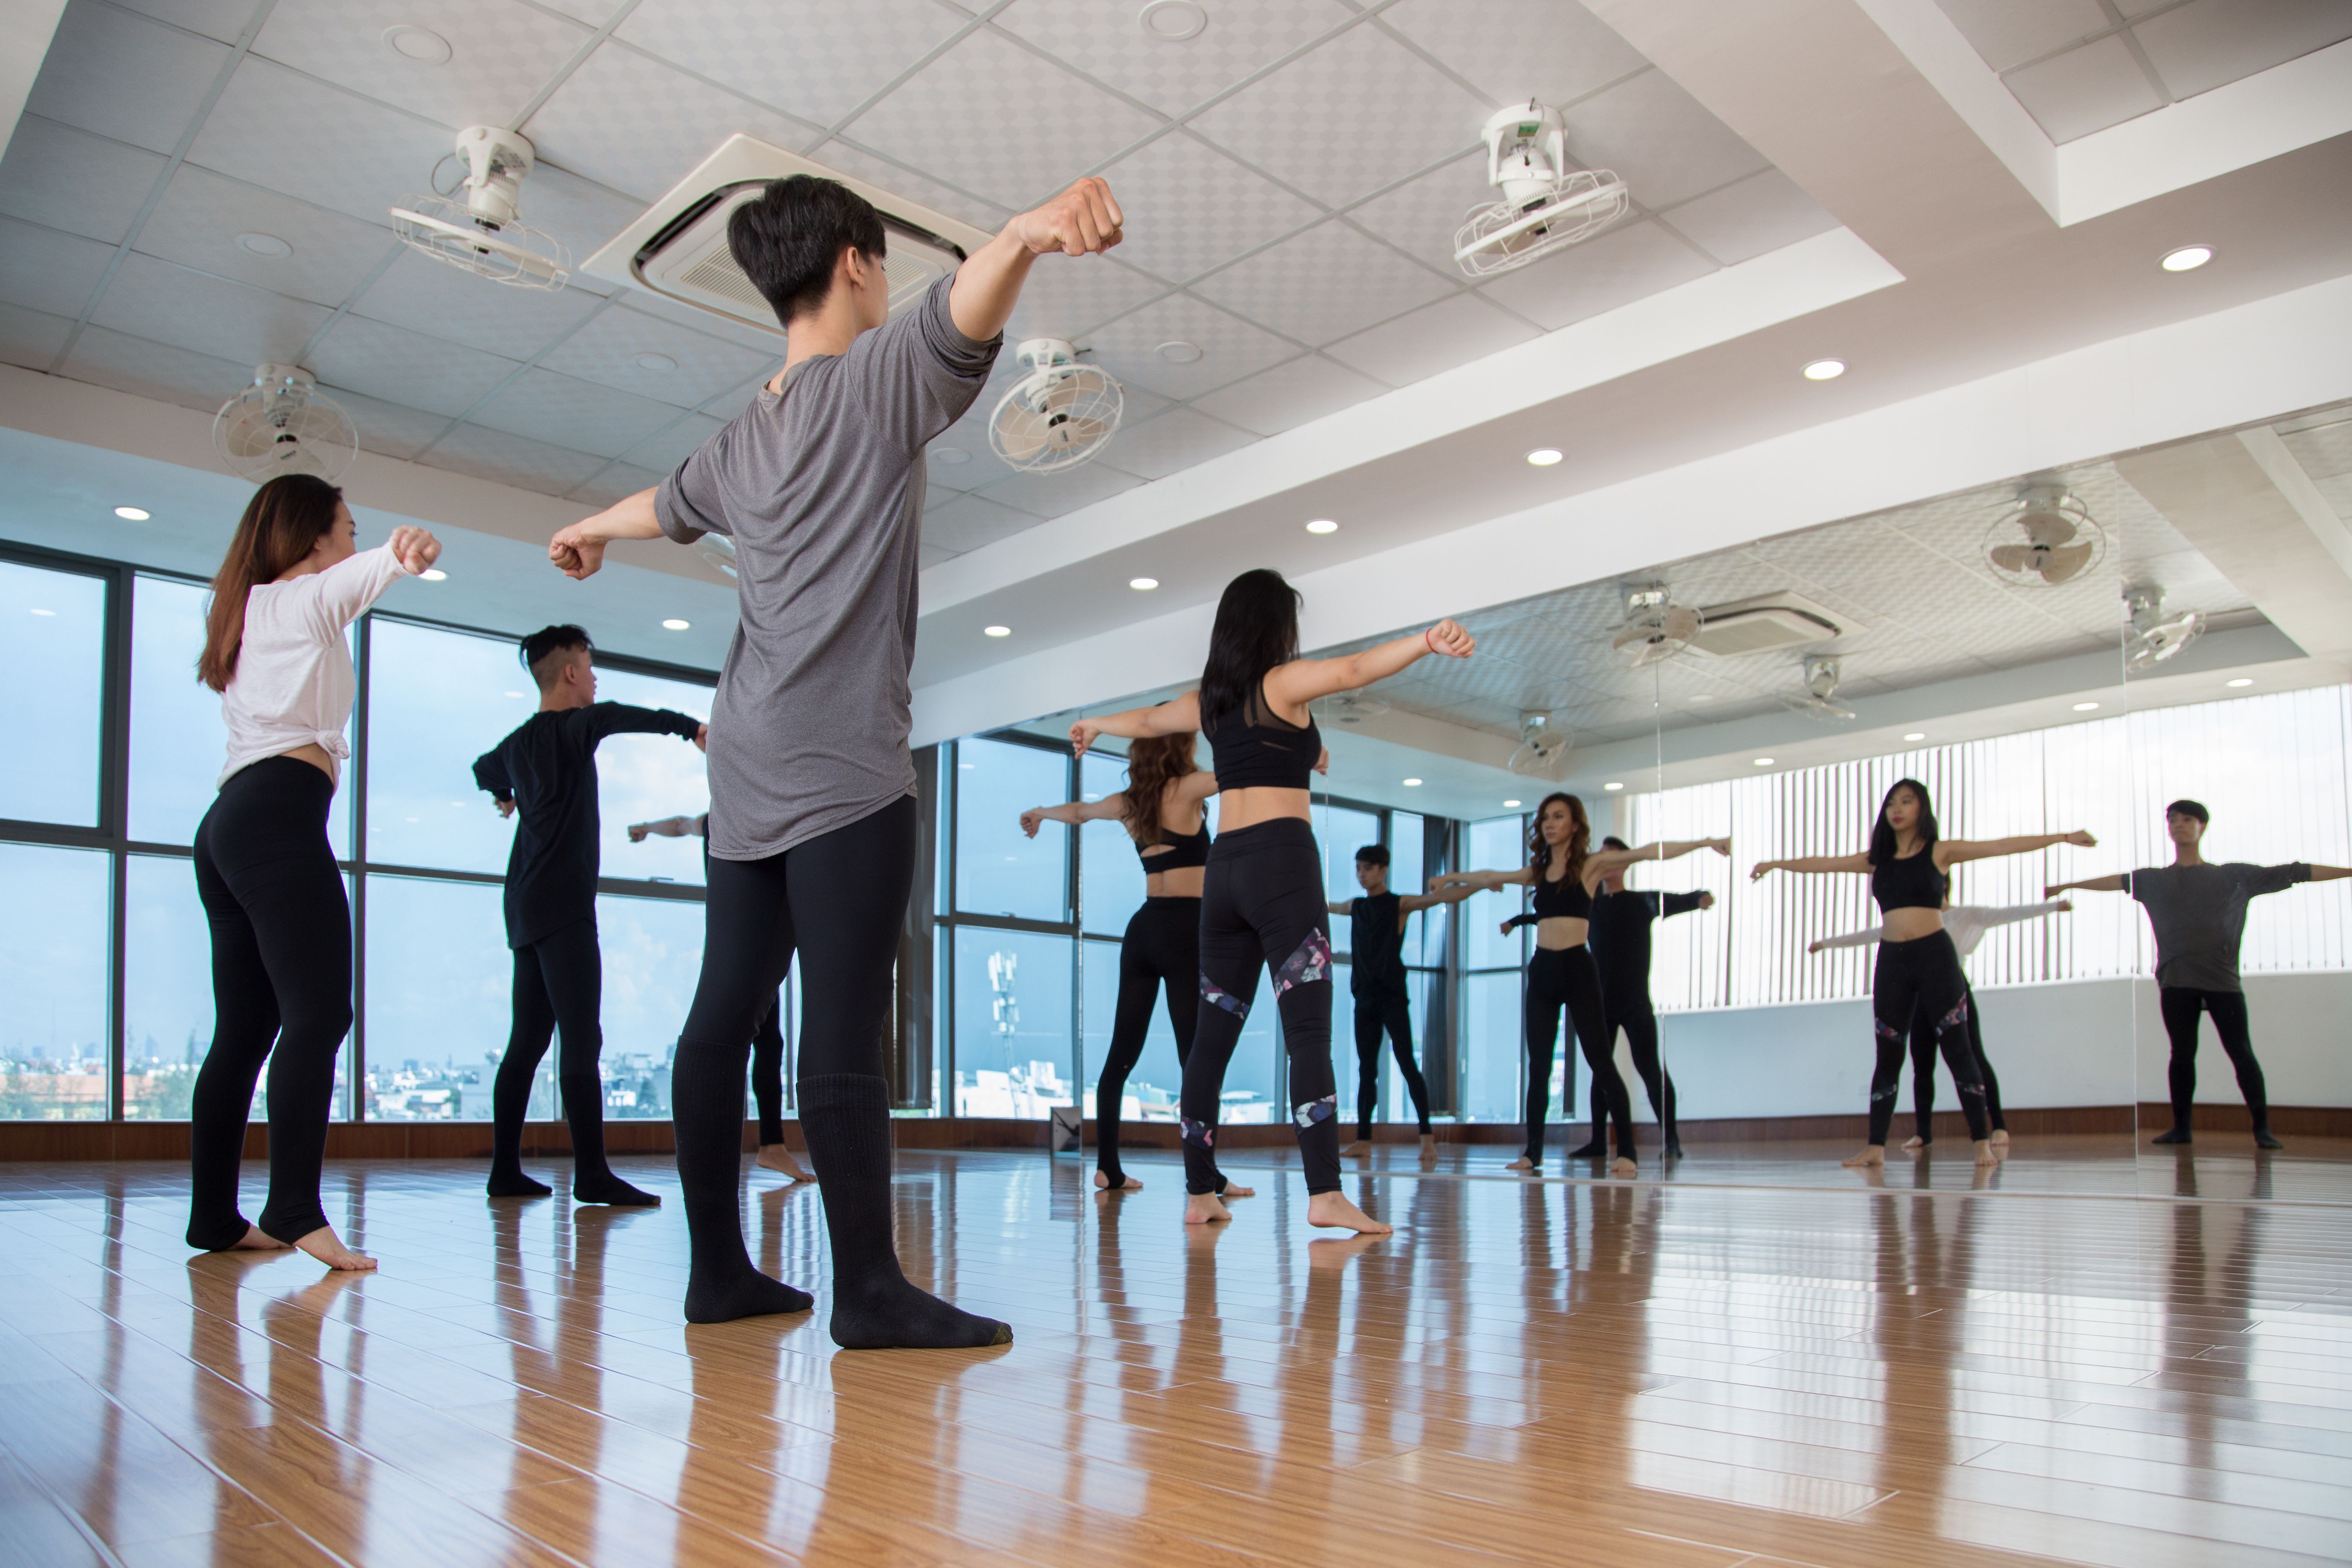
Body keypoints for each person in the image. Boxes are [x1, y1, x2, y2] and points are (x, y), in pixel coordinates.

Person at [547, 171, 1126, 1341]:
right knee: (846, 1020)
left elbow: (664, 503)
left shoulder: (745, 431)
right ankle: (865, 1291)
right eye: (885, 267)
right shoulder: (869, 382)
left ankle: (720, 1276)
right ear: (859, 264)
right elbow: (959, 311)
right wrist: (1020, 227)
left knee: (722, 1014)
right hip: (844, 757)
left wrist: (583, 531)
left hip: (747, 749)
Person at [1071, 569, 1475, 1230]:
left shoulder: (1212, 702)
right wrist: (1426, 640)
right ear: (1275, 627)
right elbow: (1351, 671)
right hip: (1282, 866)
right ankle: (1325, 1195)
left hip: (1223, 874)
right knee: (1308, 1030)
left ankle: (1201, 1194)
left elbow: (1146, 720)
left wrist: (1093, 723)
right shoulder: (1280, 682)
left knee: (1210, 1041)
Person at [187, 474, 440, 1271]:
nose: (353, 538)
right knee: (320, 1012)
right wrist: (400, 555)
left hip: (231, 821)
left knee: (247, 1029)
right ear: (314, 536)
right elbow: (353, 583)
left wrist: (384, 558)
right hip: (275, 822)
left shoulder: (247, 609)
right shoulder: (298, 600)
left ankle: (215, 1219)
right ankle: (294, 1205)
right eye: (348, 525)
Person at [472, 626, 706, 1207]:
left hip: (523, 901)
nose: (595, 678)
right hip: (562, 903)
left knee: (527, 1039)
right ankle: (593, 1174)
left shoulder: (518, 742)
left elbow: (482, 768)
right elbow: (623, 716)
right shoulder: (575, 727)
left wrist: (504, 792)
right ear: (571, 673)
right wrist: (690, 728)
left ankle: (505, 1171)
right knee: (581, 1035)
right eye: (590, 666)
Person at [1753, 778, 2095, 1168]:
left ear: (1922, 809)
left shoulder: (1940, 851)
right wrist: (1776, 864)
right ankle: (1876, 1148)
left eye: (1907, 801)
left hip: (1936, 957)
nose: (1897, 809)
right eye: (1891, 804)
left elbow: (2000, 846)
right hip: (1893, 961)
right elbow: (1824, 864)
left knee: (1960, 1051)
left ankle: (1981, 1141)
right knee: (1888, 1055)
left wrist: (2064, 837)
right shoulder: (1876, 859)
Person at [1019, 734, 1257, 1199]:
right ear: (1179, 750)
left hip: (1143, 931)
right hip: (1186, 931)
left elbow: (1082, 812)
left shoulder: (1130, 802)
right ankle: (1206, 1176)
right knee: (1197, 1060)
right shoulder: (1186, 789)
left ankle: (1108, 1169)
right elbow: (1243, 772)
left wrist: (1042, 813)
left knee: (1120, 1056)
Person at [1433, 805, 1726, 1176]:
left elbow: (1651, 850)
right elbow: (1494, 875)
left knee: (1601, 1062)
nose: (1550, 824)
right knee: (1538, 1066)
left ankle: (1629, 1152)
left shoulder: (1591, 868)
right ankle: (1533, 1152)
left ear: (1575, 825)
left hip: (1580, 971)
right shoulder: (1540, 872)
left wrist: (1706, 842)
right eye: (1546, 818)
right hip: (1543, 970)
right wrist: (1451, 877)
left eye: (1559, 817)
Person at [2049, 799, 2348, 1149]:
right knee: (2181, 1054)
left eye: (2186, 819)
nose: (2178, 824)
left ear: (2201, 827)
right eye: (2172, 819)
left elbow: (2298, 872)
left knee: (2241, 1053)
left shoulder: (2233, 876)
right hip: (2177, 981)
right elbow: (2116, 881)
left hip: (2223, 982)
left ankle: (2262, 1129)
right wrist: (2065, 886)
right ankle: (2182, 1129)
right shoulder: (2153, 880)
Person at [629, 812, 812, 1182]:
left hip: (745, 943)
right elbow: (681, 825)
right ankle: (758, 1148)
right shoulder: (724, 817)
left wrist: (648, 829)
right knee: (735, 1043)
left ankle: (769, 1146)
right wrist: (649, 828)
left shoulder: (727, 816)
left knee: (763, 1042)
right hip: (743, 945)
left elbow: (682, 825)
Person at [1507, 836, 1714, 1159]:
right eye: (1600, 855)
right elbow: (1550, 915)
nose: (1603, 861)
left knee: (1649, 1068)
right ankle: (1599, 1141)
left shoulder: (1642, 901)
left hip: (1635, 1003)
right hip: (1599, 999)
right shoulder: (1591, 902)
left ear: (1624, 862)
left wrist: (1700, 898)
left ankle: (1670, 1139)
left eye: (1610, 856)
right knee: (1600, 1069)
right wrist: (1516, 921)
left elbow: (1678, 900)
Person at [1810, 896, 2072, 1149]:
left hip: (1953, 991)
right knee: (1922, 1065)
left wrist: (2053, 906)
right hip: (1920, 997)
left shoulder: (1966, 915)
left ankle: (1998, 1126)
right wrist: (1825, 943)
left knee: (1974, 1057)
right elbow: (1871, 934)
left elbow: (2009, 913)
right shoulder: (1911, 924)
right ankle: (1923, 1133)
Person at [1326, 844, 1470, 1158]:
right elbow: (1325, 907)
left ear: (1383, 870)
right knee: (1367, 1070)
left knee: (1407, 1064)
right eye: (1358, 869)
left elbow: (1440, 899)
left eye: (1367, 868)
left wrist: (1480, 885)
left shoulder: (1399, 904)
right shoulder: (1356, 907)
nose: (1361, 875)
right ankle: (1363, 1140)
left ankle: (1427, 1137)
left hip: (1392, 997)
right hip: (1363, 998)